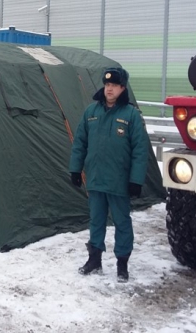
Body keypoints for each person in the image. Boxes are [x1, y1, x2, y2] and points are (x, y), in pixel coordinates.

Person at [68, 67, 149, 283]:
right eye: (107, 85)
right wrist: (75, 169)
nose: (109, 89)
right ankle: (94, 259)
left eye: (114, 85)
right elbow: (80, 144)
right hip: (95, 179)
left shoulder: (131, 115)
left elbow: (140, 151)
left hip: (119, 182)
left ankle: (122, 263)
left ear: (123, 88)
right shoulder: (91, 112)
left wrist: (136, 180)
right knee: (96, 220)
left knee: (122, 222)